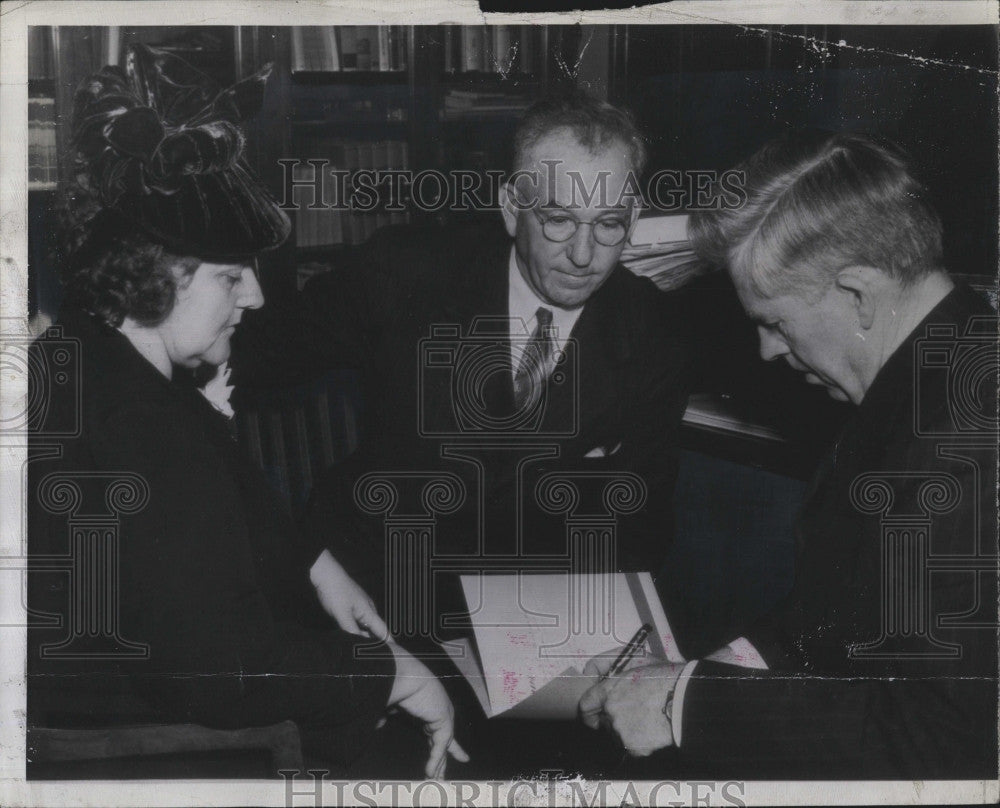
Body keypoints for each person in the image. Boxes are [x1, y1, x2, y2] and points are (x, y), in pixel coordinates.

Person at [27, 44, 465, 779]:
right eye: (232, 277)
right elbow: (215, 668)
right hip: (154, 740)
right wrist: (387, 674)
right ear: (157, 276)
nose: (256, 297)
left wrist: (314, 564)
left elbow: (195, 521)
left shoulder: (86, 355)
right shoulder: (141, 426)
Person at [578, 131, 998, 779]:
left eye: (775, 321)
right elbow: (832, 613)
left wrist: (682, 704)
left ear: (857, 294)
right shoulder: (930, 370)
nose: (770, 351)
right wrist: (711, 672)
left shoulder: (967, 447)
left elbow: (943, 742)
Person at [235, 90, 691, 639]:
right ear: (511, 207)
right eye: (558, 220)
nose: (583, 254)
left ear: (635, 217)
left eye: (609, 223)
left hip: (526, 624)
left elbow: (639, 530)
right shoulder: (402, 274)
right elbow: (241, 358)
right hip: (366, 593)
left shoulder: (657, 332)